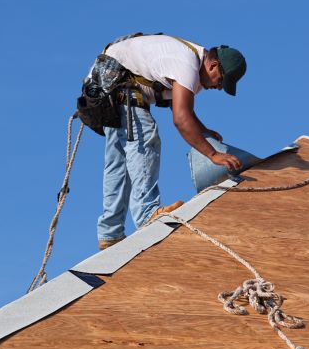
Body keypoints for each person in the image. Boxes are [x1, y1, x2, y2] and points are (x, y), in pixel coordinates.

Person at [89, 33, 247, 250]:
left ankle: (110, 233)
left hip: (107, 81)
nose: (218, 87)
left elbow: (182, 110)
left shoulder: (192, 64)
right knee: (145, 139)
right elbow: (181, 119)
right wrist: (213, 155)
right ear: (213, 65)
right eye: (221, 81)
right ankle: (147, 214)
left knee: (119, 162)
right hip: (119, 83)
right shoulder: (187, 64)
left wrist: (203, 130)